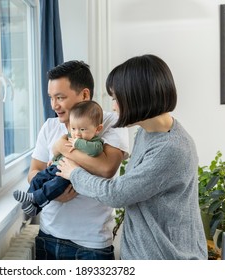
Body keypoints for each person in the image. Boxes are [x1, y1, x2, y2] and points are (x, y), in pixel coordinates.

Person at [57, 54, 208, 260]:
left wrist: (73, 172)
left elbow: (117, 194)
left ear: (136, 97)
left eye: (115, 99)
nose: (113, 107)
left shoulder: (171, 149)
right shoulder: (146, 133)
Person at [28, 60, 129, 260]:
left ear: (84, 95)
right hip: (48, 236)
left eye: (60, 97)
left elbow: (106, 167)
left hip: (91, 245)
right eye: (51, 97)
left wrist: (61, 148)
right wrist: (54, 195)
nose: (54, 105)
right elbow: (33, 172)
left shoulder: (110, 122)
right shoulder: (49, 127)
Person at [13, 100, 104, 216]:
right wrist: (54, 159)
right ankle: (31, 203)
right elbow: (62, 150)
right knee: (38, 178)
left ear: (97, 129)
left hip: (67, 174)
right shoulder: (70, 136)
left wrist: (77, 143)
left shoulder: (95, 142)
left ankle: (35, 198)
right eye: (74, 128)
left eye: (82, 129)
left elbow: (95, 150)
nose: (77, 134)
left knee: (55, 184)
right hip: (56, 166)